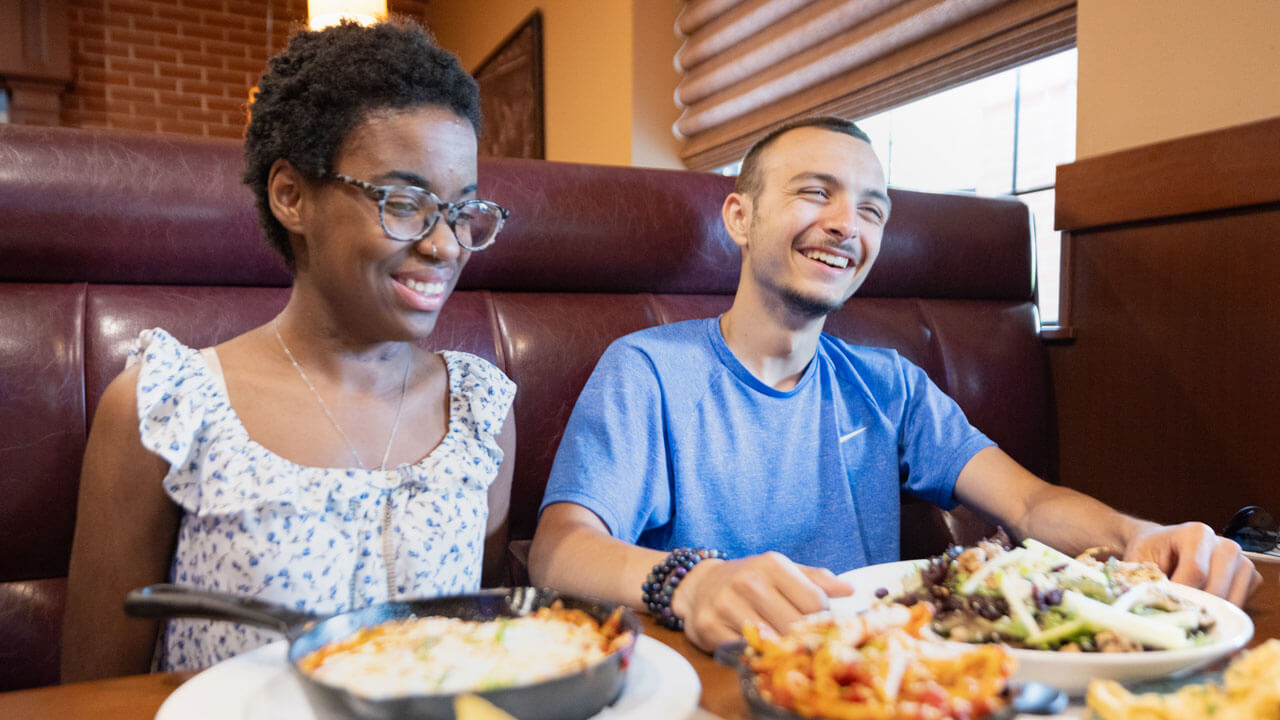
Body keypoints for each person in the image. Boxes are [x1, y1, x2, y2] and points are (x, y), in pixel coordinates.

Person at [529, 116, 1259, 652]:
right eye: (817, 193)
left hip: (880, 679)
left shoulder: (889, 384)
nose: (849, 224)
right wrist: (689, 582)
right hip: (714, 679)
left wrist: (1143, 536)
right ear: (740, 216)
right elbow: (560, 549)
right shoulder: (650, 368)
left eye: (872, 209)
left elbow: (1030, 501)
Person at [60, 19, 516, 680]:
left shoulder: (479, 410)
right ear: (291, 195)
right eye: (405, 201)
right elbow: (93, 698)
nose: (445, 246)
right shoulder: (167, 408)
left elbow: (480, 648)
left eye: (461, 209)